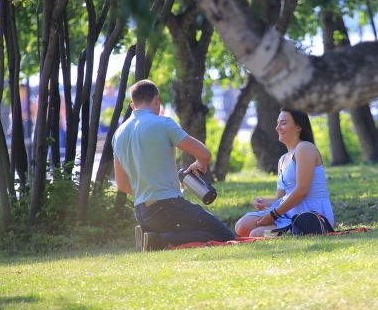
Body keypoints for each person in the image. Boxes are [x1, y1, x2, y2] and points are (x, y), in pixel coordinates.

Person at [113, 80, 235, 251]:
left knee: (192, 229)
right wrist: (199, 164)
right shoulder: (163, 123)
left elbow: (122, 184)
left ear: (133, 106)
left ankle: (152, 235)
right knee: (224, 235)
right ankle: (158, 240)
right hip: (168, 205)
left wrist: (148, 193)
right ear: (157, 100)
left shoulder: (118, 134)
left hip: (142, 211)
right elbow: (204, 154)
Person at [235, 108, 334, 237]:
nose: (277, 128)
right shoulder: (282, 159)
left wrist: (274, 215)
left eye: (283, 123)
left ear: (298, 127)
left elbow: (302, 190)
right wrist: (265, 202)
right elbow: (281, 197)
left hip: (310, 215)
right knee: (242, 226)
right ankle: (285, 231)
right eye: (278, 123)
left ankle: (291, 232)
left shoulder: (305, 148)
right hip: (288, 213)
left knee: (256, 234)